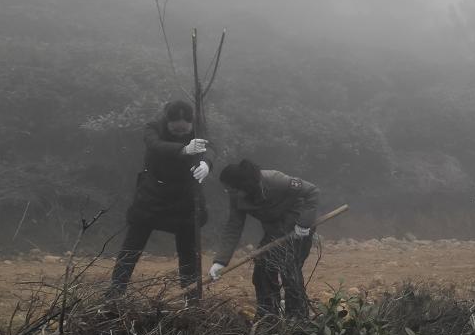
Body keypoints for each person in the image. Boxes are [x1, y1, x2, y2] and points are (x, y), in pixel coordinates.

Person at [110, 99, 213, 298]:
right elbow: (155, 145)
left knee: (189, 253)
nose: (181, 134)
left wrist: (207, 163)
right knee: (132, 246)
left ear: (192, 123)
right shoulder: (153, 127)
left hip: (186, 197)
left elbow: (211, 147)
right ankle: (115, 292)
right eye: (176, 131)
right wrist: (183, 149)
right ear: (167, 122)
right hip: (152, 194)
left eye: (185, 131)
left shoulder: (200, 128)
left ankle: (191, 299)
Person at [208, 159, 319, 319]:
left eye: (231, 189)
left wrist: (304, 223)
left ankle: (297, 319)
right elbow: (234, 226)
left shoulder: (276, 180)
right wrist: (220, 261)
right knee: (262, 269)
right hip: (274, 230)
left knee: (290, 269)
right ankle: (268, 318)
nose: (228, 193)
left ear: (244, 185)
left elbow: (312, 192)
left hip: (297, 227)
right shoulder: (236, 196)